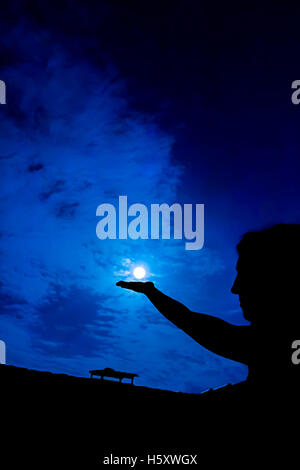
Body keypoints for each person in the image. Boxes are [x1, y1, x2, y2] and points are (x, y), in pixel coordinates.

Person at [117, 224, 300, 393]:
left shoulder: (274, 346)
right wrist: (152, 293)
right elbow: (197, 324)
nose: (235, 288)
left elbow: (197, 325)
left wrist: (152, 293)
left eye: (246, 274)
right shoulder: (268, 345)